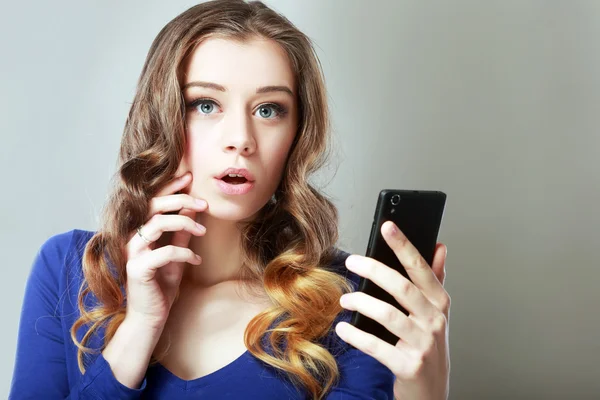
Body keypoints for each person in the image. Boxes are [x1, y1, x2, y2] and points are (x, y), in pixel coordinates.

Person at [9, 0, 451, 399]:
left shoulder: (348, 302)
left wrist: (424, 391)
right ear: (160, 118)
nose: (240, 139)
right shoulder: (71, 269)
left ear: (297, 135)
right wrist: (138, 330)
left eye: (268, 110)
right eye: (205, 105)